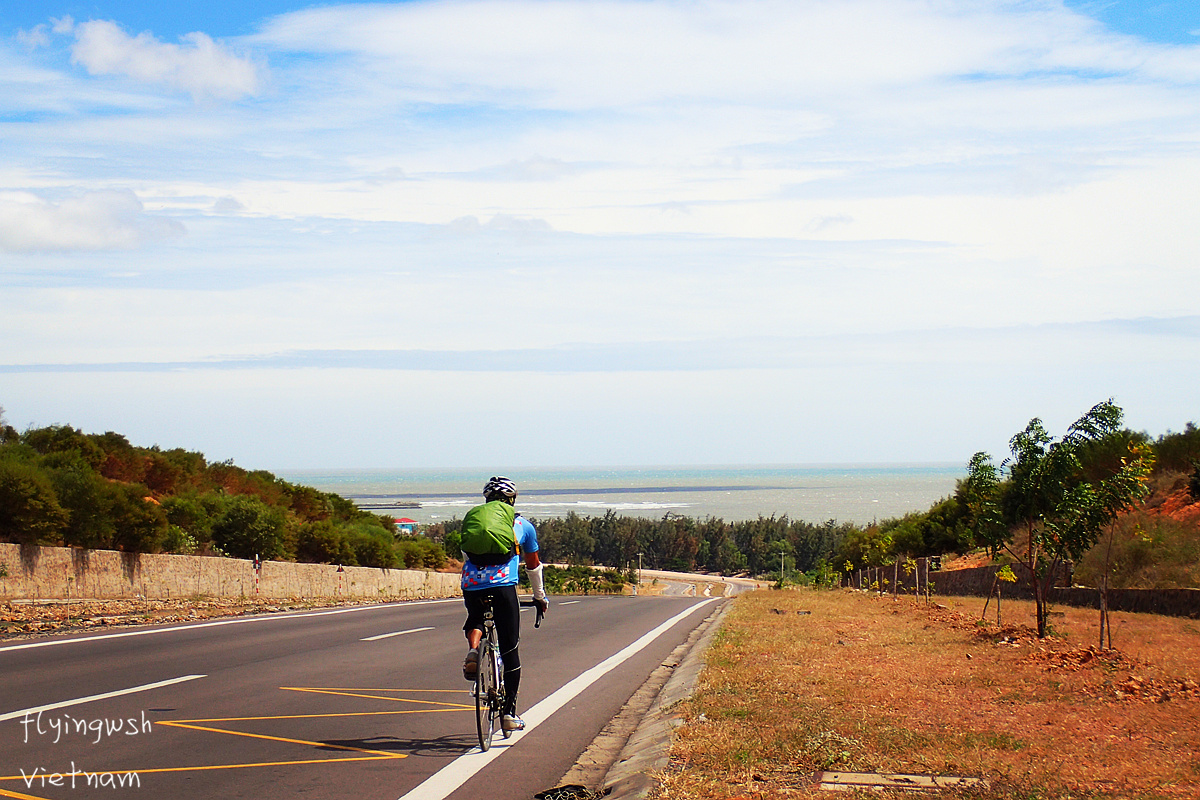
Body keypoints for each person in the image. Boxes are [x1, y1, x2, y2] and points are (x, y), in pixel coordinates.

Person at [460, 476, 548, 733]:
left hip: (472, 584)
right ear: (512, 500)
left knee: (476, 618)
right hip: (503, 586)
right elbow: (533, 566)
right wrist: (540, 597)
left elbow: (466, 556)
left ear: (487, 500)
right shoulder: (522, 525)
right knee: (510, 650)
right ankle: (509, 713)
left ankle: (474, 650)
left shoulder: (475, 519)